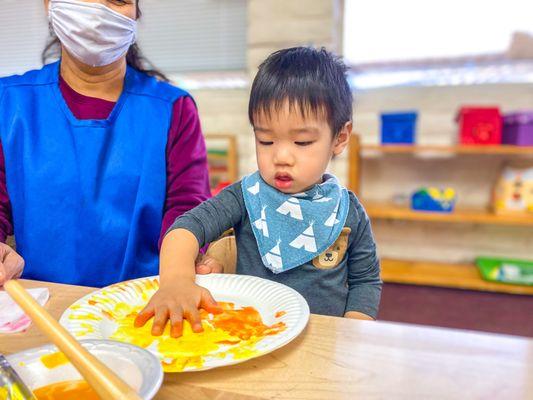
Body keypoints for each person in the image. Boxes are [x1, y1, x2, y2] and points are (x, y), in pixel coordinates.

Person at [135, 47, 382, 338]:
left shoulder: (347, 211)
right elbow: (186, 228)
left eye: (302, 142)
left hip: (322, 342)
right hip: (251, 335)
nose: (281, 157)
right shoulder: (246, 195)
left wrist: (353, 327)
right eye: (266, 140)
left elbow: (366, 280)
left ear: (339, 138)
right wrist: (176, 281)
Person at [0, 0, 212, 287]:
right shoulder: (8, 103)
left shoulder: (173, 109)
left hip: (143, 304)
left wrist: (180, 272)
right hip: (41, 304)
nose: (98, 11)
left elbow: (189, 211)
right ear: (50, 4)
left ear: (136, 12)